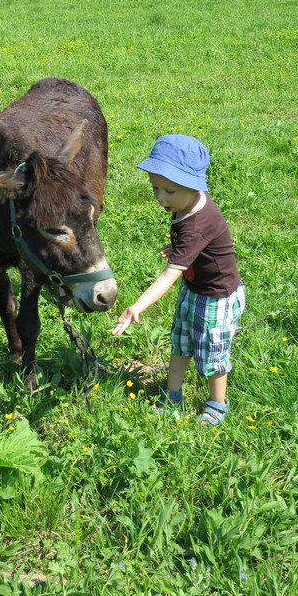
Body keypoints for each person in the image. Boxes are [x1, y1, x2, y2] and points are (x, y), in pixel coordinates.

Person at [111, 134, 245, 424]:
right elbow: (198, 243)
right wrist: (183, 250)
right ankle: (172, 395)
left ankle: (217, 403)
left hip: (216, 297)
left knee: (212, 352)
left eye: (169, 191)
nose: (160, 197)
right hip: (194, 288)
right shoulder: (185, 205)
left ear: (193, 186)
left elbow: (169, 276)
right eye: (155, 187)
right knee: (180, 342)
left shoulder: (197, 223)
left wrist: (137, 307)